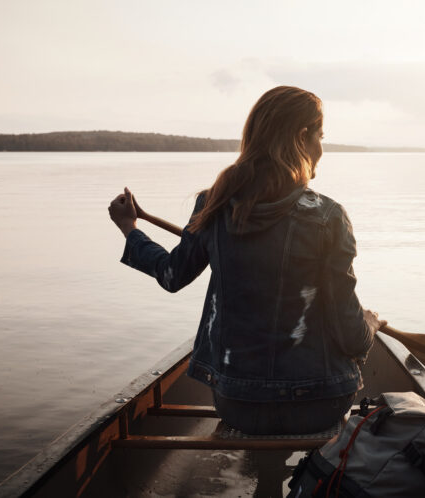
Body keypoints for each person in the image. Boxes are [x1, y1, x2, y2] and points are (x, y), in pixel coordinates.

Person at [108, 86, 385, 435]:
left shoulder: (215, 204)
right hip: (319, 405)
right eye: (320, 136)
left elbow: (170, 274)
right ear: (302, 138)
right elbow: (354, 339)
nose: (321, 148)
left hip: (239, 406)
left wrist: (129, 228)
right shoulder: (329, 216)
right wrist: (370, 323)